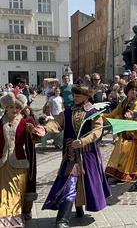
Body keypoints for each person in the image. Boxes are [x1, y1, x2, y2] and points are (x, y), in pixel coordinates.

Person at [41, 83, 111, 228]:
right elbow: (57, 123)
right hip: (71, 155)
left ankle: (78, 209)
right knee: (70, 183)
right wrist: (45, 129)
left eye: (78, 95)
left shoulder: (94, 112)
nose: (75, 98)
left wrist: (83, 141)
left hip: (87, 154)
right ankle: (62, 219)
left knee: (85, 183)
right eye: (74, 95)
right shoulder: (67, 112)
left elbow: (97, 131)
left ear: (87, 97)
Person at [0, 93, 42, 223]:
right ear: (6, 108)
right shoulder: (0, 123)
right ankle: (8, 221)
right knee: (5, 195)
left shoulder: (26, 123)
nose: (14, 110)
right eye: (11, 107)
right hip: (2, 166)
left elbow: (34, 140)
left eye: (17, 108)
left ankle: (15, 218)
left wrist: (36, 132)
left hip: (19, 165)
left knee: (16, 193)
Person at [104, 81, 137, 182]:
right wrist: (102, 116)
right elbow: (114, 113)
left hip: (132, 134)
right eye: (132, 90)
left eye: (135, 90)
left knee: (126, 154)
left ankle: (123, 175)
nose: (133, 92)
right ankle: (117, 173)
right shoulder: (124, 102)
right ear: (127, 91)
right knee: (120, 153)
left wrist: (131, 115)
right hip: (123, 132)